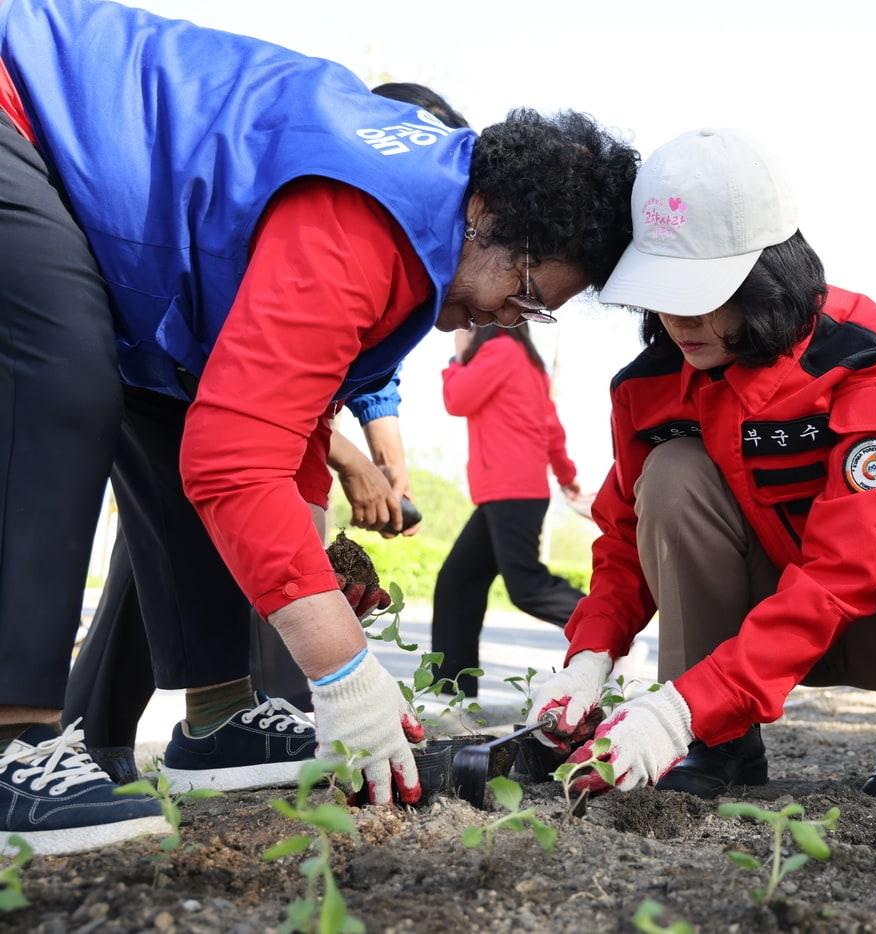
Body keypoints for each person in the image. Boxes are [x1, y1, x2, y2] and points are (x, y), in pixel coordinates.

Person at [0, 0, 637, 854]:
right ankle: (14, 739)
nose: (503, 319)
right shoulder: (369, 217)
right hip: (21, 109)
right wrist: (344, 674)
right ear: (488, 214)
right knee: (62, 372)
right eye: (521, 291)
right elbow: (235, 464)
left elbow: (281, 433)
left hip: (116, 240)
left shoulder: (425, 243)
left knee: (172, 407)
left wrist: (319, 592)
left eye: (534, 314)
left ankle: (220, 717)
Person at [521, 128, 876, 804]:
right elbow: (624, 541)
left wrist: (677, 708)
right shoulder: (649, 384)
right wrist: (588, 661)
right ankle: (720, 743)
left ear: (765, 277)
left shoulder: (873, 359)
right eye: (661, 292)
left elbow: (848, 569)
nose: (678, 319)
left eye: (702, 293)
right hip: (750, 612)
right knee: (669, 475)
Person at [59, 82, 466, 788]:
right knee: (188, 526)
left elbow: (352, 385)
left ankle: (166, 733)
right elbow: (258, 401)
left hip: (207, 395)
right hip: (169, 357)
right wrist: (351, 469)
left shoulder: (401, 266)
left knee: (177, 541)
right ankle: (90, 740)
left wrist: (380, 468)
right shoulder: (331, 213)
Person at [432, 323, 585, 696]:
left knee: (526, 586)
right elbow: (550, 425)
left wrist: (456, 355)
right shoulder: (527, 361)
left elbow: (458, 399)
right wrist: (566, 475)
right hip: (509, 492)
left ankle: (611, 629)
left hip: (510, 490)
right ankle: (452, 690)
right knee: (458, 582)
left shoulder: (498, 351)